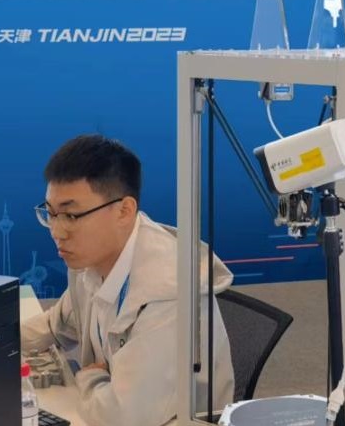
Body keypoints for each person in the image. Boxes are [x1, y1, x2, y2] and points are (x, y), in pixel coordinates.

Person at [22, 134, 234, 426]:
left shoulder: (168, 292)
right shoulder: (92, 261)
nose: (57, 231)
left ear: (124, 211)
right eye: (51, 213)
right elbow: (56, 326)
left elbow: (121, 418)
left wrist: (90, 378)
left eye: (70, 215)